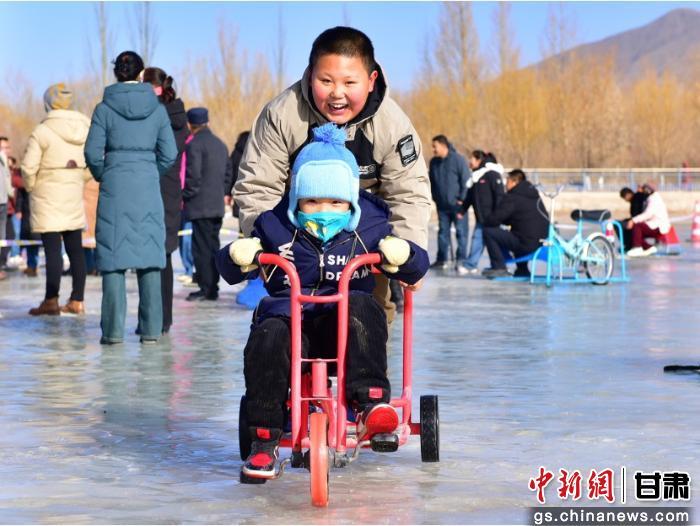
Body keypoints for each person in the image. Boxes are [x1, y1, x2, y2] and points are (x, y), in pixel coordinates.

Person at [216, 124, 429, 480]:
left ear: (351, 202)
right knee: (267, 337)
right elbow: (228, 270)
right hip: (290, 322)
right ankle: (264, 437)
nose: (323, 211)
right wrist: (239, 255)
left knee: (364, 307)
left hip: (341, 327)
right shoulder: (275, 227)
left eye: (335, 202)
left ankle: (371, 403)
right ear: (296, 198)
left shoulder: (370, 227)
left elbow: (416, 267)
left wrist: (403, 254)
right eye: (312, 201)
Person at [233, 26, 431, 324]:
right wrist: (264, 244)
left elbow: (408, 191)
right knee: (288, 321)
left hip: (363, 240)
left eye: (350, 82)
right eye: (326, 81)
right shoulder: (282, 115)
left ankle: (366, 350)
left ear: (370, 80)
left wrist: (409, 251)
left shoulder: (392, 125)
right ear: (310, 75)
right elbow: (258, 185)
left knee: (369, 319)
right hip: (295, 236)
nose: (337, 93)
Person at [84, 51, 178, 344]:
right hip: (147, 187)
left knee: (113, 259)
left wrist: (106, 173)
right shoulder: (157, 110)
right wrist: (150, 171)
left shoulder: (104, 109)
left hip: (114, 187)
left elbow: (91, 153)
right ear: (140, 74)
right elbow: (170, 154)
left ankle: (112, 333)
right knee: (150, 257)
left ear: (116, 73)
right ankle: (151, 330)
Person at [21, 84, 91, 315]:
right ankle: (77, 300)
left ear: (48, 104)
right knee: (75, 249)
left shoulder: (42, 131)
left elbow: (28, 167)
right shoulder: (85, 128)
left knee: (52, 251)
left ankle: (51, 300)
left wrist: (33, 187)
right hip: (72, 193)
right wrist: (78, 178)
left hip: (47, 195)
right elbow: (94, 160)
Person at [143, 67, 189, 331]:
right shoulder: (177, 116)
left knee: (155, 255)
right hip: (170, 191)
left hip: (158, 187)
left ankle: (157, 317)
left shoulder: (160, 116)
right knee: (163, 254)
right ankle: (162, 317)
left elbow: (164, 154)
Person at [182, 107, 231, 302]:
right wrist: (224, 192)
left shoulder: (194, 145)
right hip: (216, 205)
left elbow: (193, 176)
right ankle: (213, 287)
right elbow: (228, 173)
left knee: (201, 249)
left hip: (199, 206)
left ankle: (205, 288)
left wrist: (185, 195)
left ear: (190, 125)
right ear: (207, 122)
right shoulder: (220, 144)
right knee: (213, 247)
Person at [482, 169, 549, 279]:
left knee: (489, 232)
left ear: (515, 182)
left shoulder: (513, 197)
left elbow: (497, 218)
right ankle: (522, 269)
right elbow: (521, 217)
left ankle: (499, 267)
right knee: (519, 233)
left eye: (507, 181)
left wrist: (486, 221)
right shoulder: (534, 196)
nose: (505, 184)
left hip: (525, 243)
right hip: (540, 242)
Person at [428, 134, 469, 273]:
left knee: (461, 233)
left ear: (443, 145)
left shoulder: (458, 159)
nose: (433, 149)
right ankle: (442, 260)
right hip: (442, 206)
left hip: (458, 205)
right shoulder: (434, 162)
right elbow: (432, 182)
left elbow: (466, 181)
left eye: (435, 146)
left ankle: (461, 260)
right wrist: (436, 198)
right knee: (442, 233)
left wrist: (461, 199)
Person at [459, 150, 505, 274]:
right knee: (477, 241)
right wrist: (462, 210)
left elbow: (499, 196)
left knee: (495, 243)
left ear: (479, 160)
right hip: (481, 218)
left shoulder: (492, 174)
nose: (469, 161)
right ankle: (471, 265)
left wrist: (498, 214)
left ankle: (501, 265)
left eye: (472, 159)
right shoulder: (476, 176)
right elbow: (470, 197)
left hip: (493, 218)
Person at [626, 184, 670, 257]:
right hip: (654, 224)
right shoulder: (651, 198)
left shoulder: (654, 199)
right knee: (635, 232)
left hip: (658, 226)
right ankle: (648, 247)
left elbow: (648, 214)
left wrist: (633, 220)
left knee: (637, 226)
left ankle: (637, 248)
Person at [618, 187, 647, 252]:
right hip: (638, 219)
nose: (625, 200)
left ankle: (628, 245)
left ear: (628, 195)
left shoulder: (636, 198)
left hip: (640, 220)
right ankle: (629, 245)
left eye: (624, 198)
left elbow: (637, 214)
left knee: (619, 225)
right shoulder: (635, 198)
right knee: (622, 223)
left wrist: (631, 220)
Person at [0, 137, 11, 280]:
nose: (7, 150)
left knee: (2, 237)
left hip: (3, 201)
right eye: (4, 148)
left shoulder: (4, 162)